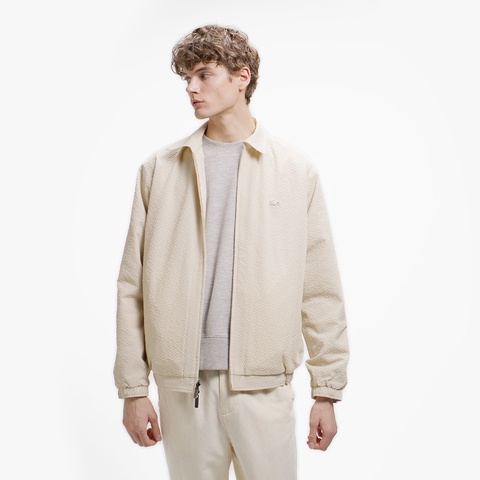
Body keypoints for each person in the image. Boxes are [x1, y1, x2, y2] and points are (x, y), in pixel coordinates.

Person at [113, 24, 349, 480]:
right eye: (187, 78)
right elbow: (131, 287)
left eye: (203, 75)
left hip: (264, 385)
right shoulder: (159, 169)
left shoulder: (294, 170)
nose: (191, 88)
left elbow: (320, 288)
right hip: (184, 386)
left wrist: (327, 390)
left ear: (242, 77)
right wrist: (133, 389)